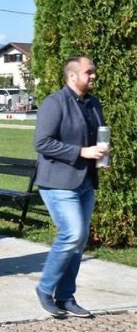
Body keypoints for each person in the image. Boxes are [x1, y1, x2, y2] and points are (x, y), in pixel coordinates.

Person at [34, 56, 106, 318]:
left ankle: (65, 296)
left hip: (85, 182)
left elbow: (98, 136)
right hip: (58, 183)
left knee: (79, 240)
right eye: (89, 72)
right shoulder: (54, 103)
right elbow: (42, 143)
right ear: (73, 76)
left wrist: (101, 156)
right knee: (72, 234)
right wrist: (81, 152)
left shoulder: (93, 104)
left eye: (93, 71)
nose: (93, 76)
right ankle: (45, 288)